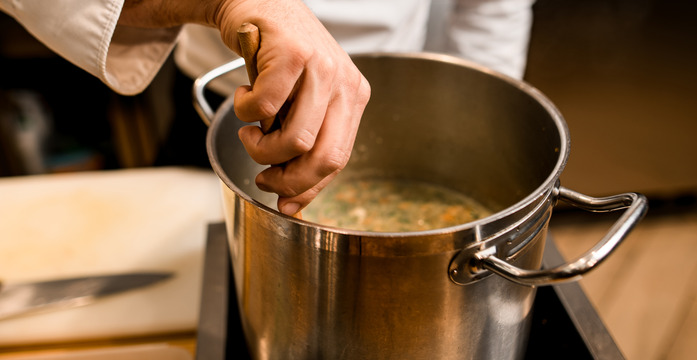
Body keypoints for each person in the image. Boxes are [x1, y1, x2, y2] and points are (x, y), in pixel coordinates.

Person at [0, 0, 533, 216]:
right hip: (226, 108)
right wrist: (224, 2)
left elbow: (493, 6)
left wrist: (471, 128)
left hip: (382, 98)